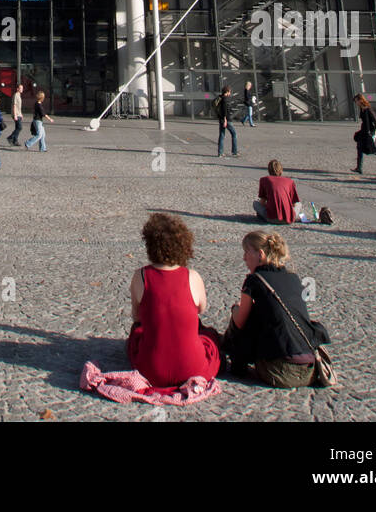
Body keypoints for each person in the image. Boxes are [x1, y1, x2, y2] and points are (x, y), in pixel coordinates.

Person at [223, 231, 330, 388]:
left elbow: (240, 322)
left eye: (247, 252)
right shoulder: (293, 278)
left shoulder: (255, 280)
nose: (244, 258)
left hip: (278, 372)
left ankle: (233, 360)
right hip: (309, 370)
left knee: (244, 315)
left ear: (260, 254)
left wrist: (234, 309)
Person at [126, 213, 221, 388]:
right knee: (209, 335)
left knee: (136, 333)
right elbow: (201, 308)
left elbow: (137, 316)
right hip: (193, 368)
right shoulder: (193, 276)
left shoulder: (140, 276)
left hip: (151, 370)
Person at [254, 159, 301, 224]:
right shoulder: (290, 181)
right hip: (289, 218)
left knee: (255, 203)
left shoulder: (264, 180)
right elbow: (294, 204)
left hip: (271, 218)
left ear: (269, 170)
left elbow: (262, 201)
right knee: (299, 204)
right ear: (281, 170)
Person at [352, 93, 376, 176]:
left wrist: (375, 132)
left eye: (356, 101)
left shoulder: (368, 109)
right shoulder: (362, 109)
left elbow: (375, 121)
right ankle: (359, 167)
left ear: (360, 100)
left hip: (370, 132)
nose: (356, 103)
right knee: (359, 148)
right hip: (364, 132)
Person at [214, 84, 238, 157]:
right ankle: (234, 151)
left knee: (221, 135)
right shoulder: (225, 99)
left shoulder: (220, 98)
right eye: (229, 92)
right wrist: (225, 120)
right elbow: (224, 110)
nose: (230, 93)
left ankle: (220, 152)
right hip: (226, 119)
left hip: (221, 119)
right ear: (227, 92)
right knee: (234, 134)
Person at [7, 82, 24, 146]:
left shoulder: (19, 95)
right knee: (19, 127)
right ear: (17, 89)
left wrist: (21, 113)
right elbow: (14, 105)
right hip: (16, 114)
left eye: (22, 88)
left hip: (19, 113)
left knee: (17, 127)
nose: (22, 89)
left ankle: (15, 140)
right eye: (20, 88)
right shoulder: (16, 95)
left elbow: (19, 106)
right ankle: (10, 137)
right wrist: (15, 115)